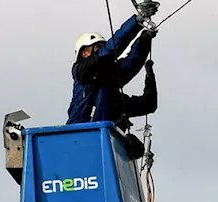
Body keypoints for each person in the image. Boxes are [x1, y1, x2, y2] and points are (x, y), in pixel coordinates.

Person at [67, 14, 159, 157]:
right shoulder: (81, 72)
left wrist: (144, 41)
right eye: (97, 48)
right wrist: (135, 23)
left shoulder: (112, 99)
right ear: (84, 53)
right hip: (78, 139)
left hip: (101, 147)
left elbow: (149, 104)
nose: (102, 50)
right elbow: (108, 53)